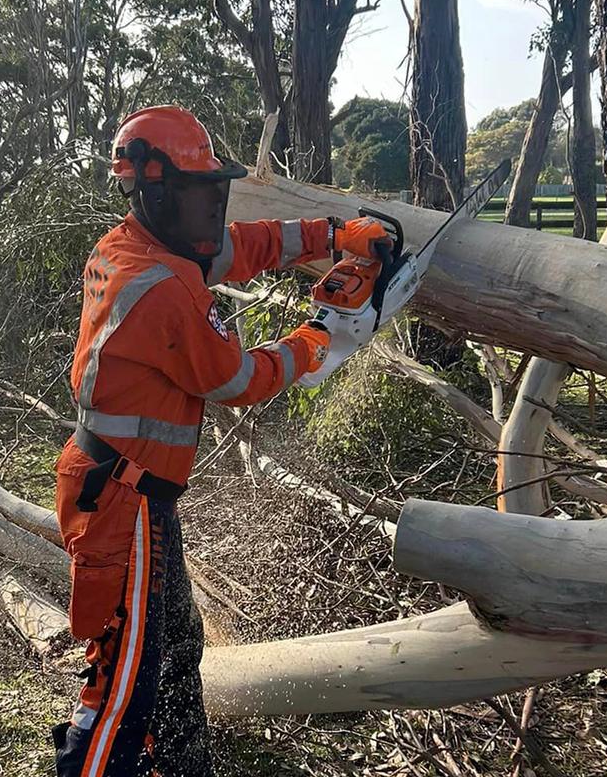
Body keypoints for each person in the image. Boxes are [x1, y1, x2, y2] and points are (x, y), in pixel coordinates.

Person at [51, 105, 391, 777]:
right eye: (200, 191)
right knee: (123, 685)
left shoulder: (136, 244)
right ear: (156, 191)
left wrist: (329, 236)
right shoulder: (161, 286)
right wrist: (316, 340)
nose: (213, 206)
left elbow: (241, 246)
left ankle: (179, 767)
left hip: (128, 488)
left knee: (175, 645)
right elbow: (235, 378)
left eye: (216, 190)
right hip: (124, 502)